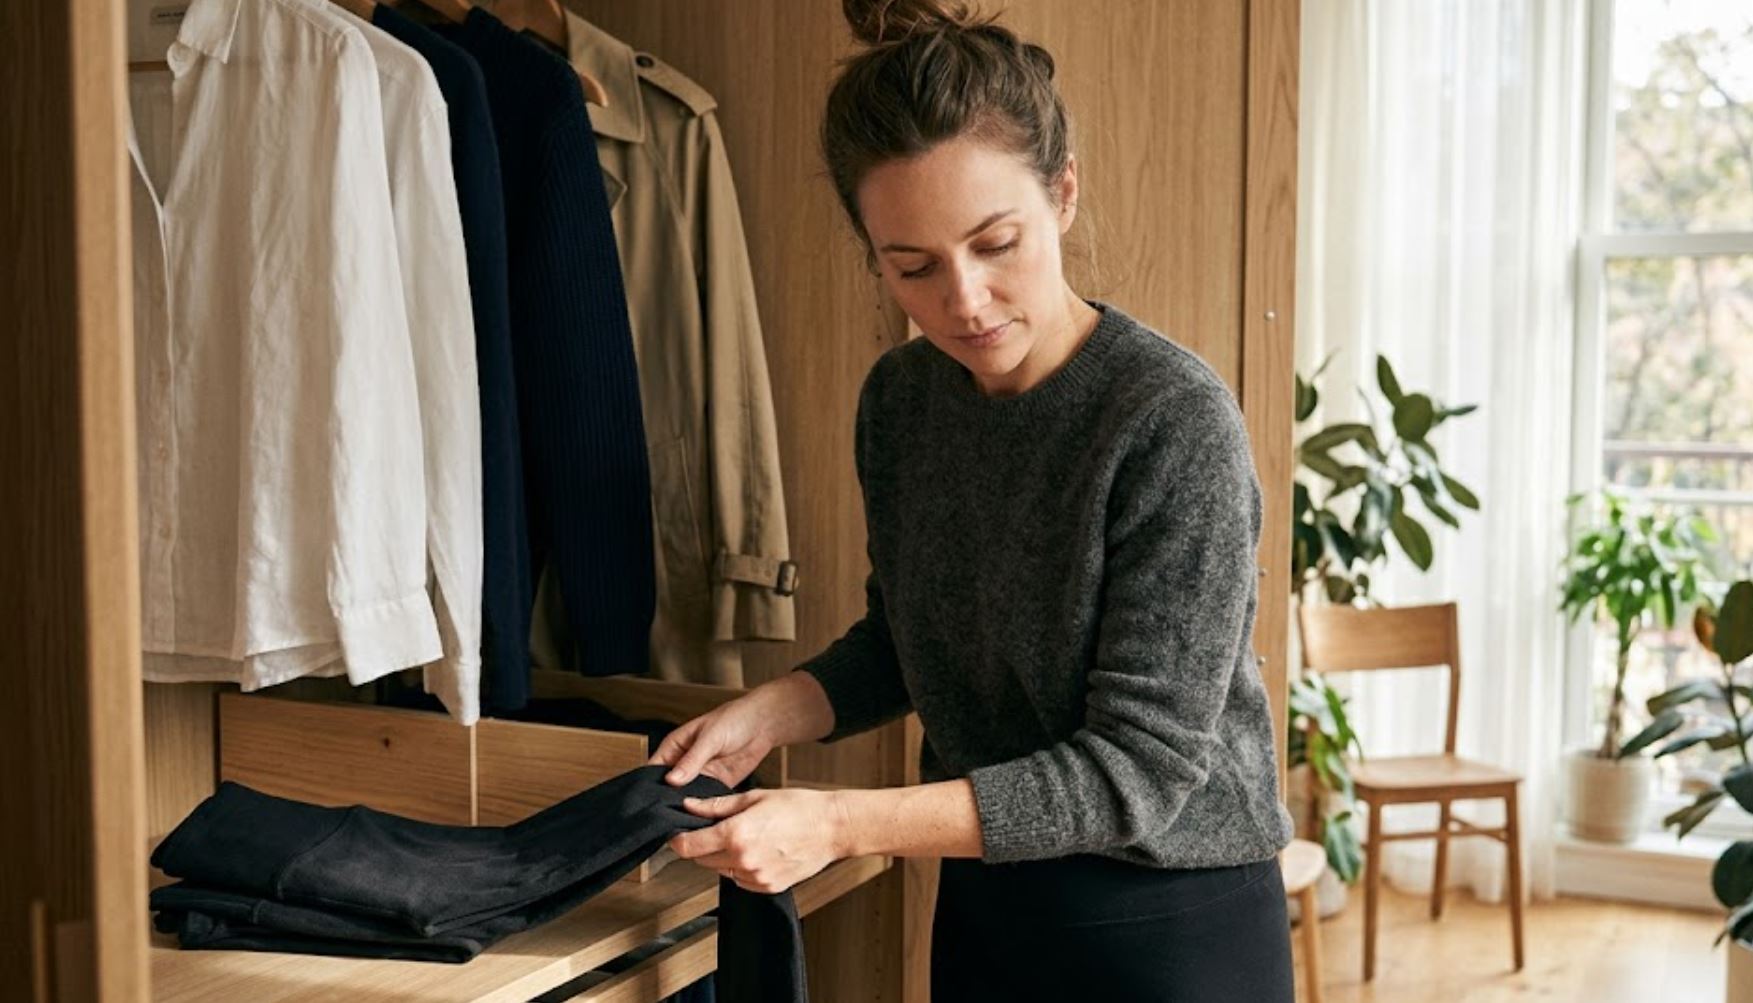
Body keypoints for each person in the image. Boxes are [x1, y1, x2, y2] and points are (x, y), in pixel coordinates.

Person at [650, 1, 1296, 998]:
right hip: (988, 894)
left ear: (1063, 193)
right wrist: (775, 712)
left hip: (1171, 920)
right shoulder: (902, 401)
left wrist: (839, 822)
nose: (962, 301)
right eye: (911, 266)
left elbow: (1137, 769)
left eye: (996, 243)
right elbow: (913, 642)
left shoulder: (1169, 421)